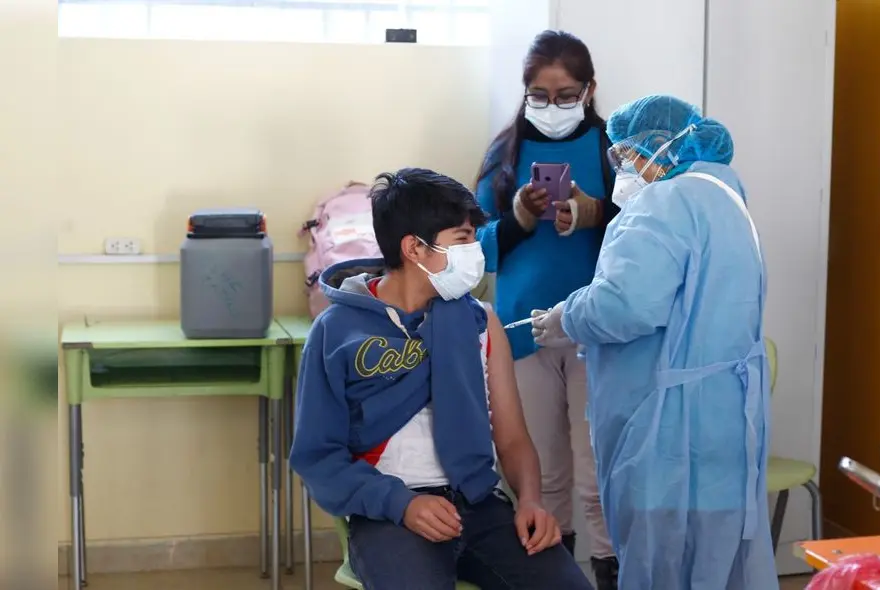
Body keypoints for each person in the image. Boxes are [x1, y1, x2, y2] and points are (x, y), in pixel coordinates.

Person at [289, 168, 593, 590]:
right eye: (463, 239)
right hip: (391, 514)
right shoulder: (336, 330)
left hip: (482, 507)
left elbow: (512, 438)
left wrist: (530, 501)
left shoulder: (481, 323)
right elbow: (318, 457)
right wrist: (401, 504)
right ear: (414, 247)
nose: (475, 251)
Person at [531, 95, 779, 589]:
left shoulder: (665, 202)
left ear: (659, 148)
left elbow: (627, 305)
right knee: (719, 559)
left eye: (627, 155)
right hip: (725, 417)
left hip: (671, 427)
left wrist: (569, 316)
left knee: (664, 564)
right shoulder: (725, 196)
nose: (624, 168)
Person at [474, 30, 619, 588]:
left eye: (565, 94)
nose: (551, 106)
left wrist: (596, 214)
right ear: (524, 91)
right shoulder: (503, 153)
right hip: (521, 332)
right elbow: (470, 248)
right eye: (539, 94)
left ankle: (608, 571)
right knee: (542, 477)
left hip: (595, 330)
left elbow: (647, 240)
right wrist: (517, 221)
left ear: (589, 90)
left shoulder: (613, 150)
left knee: (598, 474)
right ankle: (554, 577)